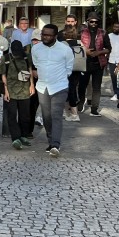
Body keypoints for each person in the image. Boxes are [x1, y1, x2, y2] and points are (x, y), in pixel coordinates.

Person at [30, 24, 73, 157]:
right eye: (43, 34)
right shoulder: (36, 49)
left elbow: (69, 68)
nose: (45, 37)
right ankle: (50, 140)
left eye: (48, 35)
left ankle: (55, 144)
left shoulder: (65, 49)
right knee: (46, 116)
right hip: (42, 87)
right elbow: (36, 64)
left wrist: (59, 78)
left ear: (55, 36)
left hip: (59, 86)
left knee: (56, 115)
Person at [0, 40, 35, 150]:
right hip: (11, 90)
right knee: (12, 115)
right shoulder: (6, 58)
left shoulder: (26, 57)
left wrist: (32, 85)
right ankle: (15, 138)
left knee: (25, 116)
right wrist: (5, 91)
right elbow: (3, 75)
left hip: (24, 90)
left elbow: (30, 70)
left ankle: (23, 135)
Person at [78, 15, 109, 116]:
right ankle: (81, 103)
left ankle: (94, 109)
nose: (94, 24)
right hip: (84, 62)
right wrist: (85, 51)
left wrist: (99, 52)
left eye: (96, 22)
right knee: (82, 86)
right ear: (88, 22)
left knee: (96, 87)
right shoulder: (82, 32)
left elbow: (108, 48)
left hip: (98, 63)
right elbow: (77, 46)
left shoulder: (103, 33)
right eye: (92, 22)